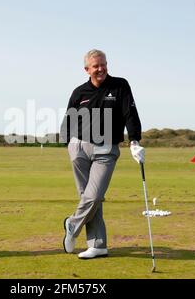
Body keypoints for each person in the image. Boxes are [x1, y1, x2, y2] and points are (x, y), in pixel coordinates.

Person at [60, 49, 145, 259]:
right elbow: (68, 120)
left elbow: (130, 112)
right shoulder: (79, 92)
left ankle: (72, 223)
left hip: (106, 150)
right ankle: (98, 244)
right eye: (96, 66)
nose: (101, 69)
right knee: (87, 196)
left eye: (103, 64)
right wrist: (68, 143)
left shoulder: (120, 85)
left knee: (94, 195)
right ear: (87, 69)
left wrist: (135, 140)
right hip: (79, 148)